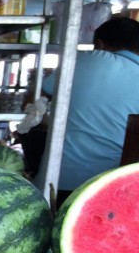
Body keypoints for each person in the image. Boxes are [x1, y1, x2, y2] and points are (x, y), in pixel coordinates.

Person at [38, 17, 139, 196]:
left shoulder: (83, 60)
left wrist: (46, 122)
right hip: (117, 185)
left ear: (99, 44)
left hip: (57, 180)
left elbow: (36, 98)